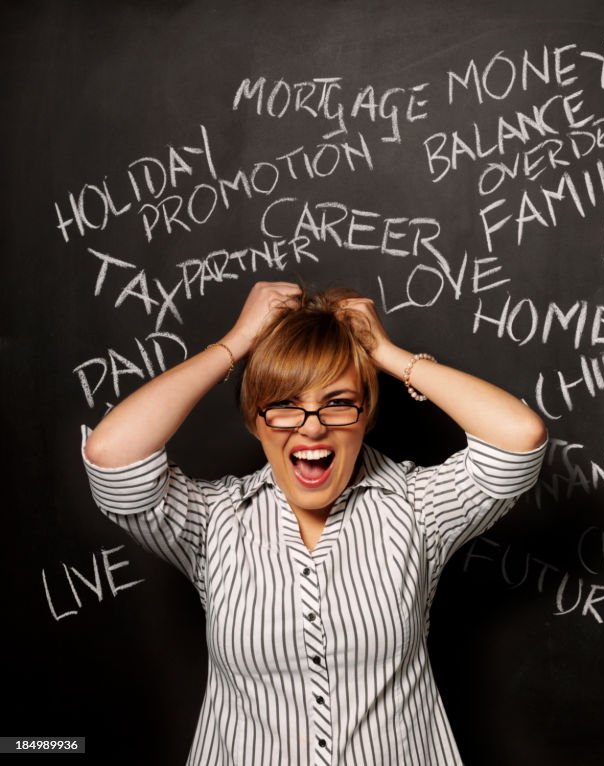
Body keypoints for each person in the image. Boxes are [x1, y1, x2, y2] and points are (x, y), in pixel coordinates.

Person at [81, 281, 548, 766]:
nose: (311, 426)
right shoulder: (214, 523)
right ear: (255, 421)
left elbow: (519, 439)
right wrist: (236, 343)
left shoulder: (416, 509)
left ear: (365, 414)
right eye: (283, 404)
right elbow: (112, 456)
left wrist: (387, 353)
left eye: (338, 402)